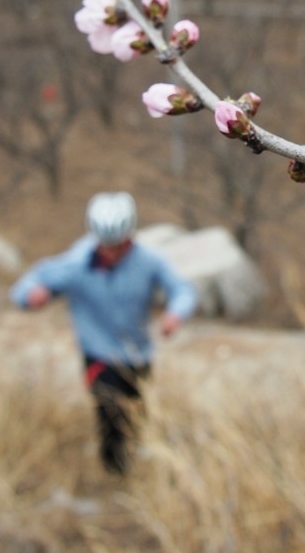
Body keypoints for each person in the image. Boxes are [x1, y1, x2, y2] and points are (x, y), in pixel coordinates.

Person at [10, 191, 197, 475]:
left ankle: (136, 460)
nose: (111, 253)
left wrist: (175, 313)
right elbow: (29, 283)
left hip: (138, 354)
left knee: (137, 411)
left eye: (119, 246)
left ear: (129, 237)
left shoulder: (150, 261)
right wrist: (31, 295)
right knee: (109, 409)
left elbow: (183, 290)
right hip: (98, 354)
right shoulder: (76, 263)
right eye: (105, 246)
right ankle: (114, 471)